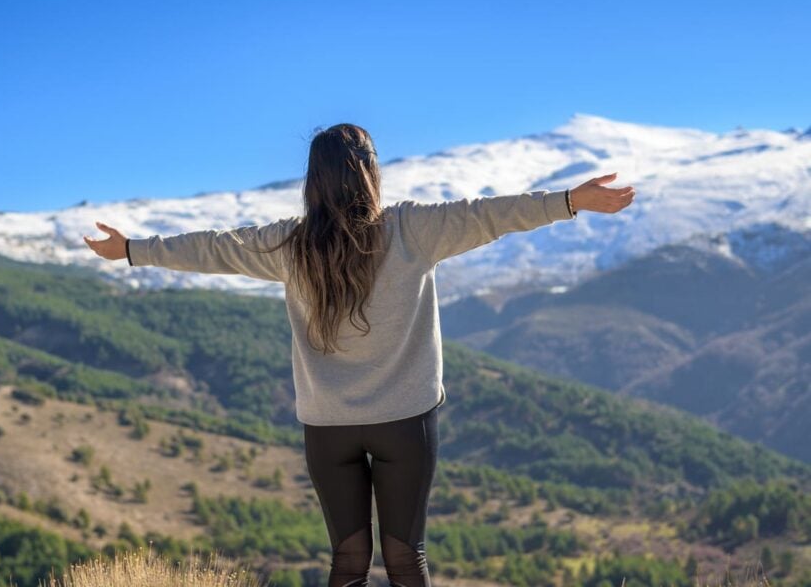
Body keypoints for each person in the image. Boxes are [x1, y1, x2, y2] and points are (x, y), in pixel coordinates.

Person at [83, 123, 635, 587]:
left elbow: (210, 247)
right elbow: (492, 214)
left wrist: (130, 249)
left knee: (347, 559)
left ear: (313, 180)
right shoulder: (414, 228)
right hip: (404, 423)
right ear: (370, 171)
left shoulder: (287, 243)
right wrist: (569, 201)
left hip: (328, 427)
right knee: (404, 556)